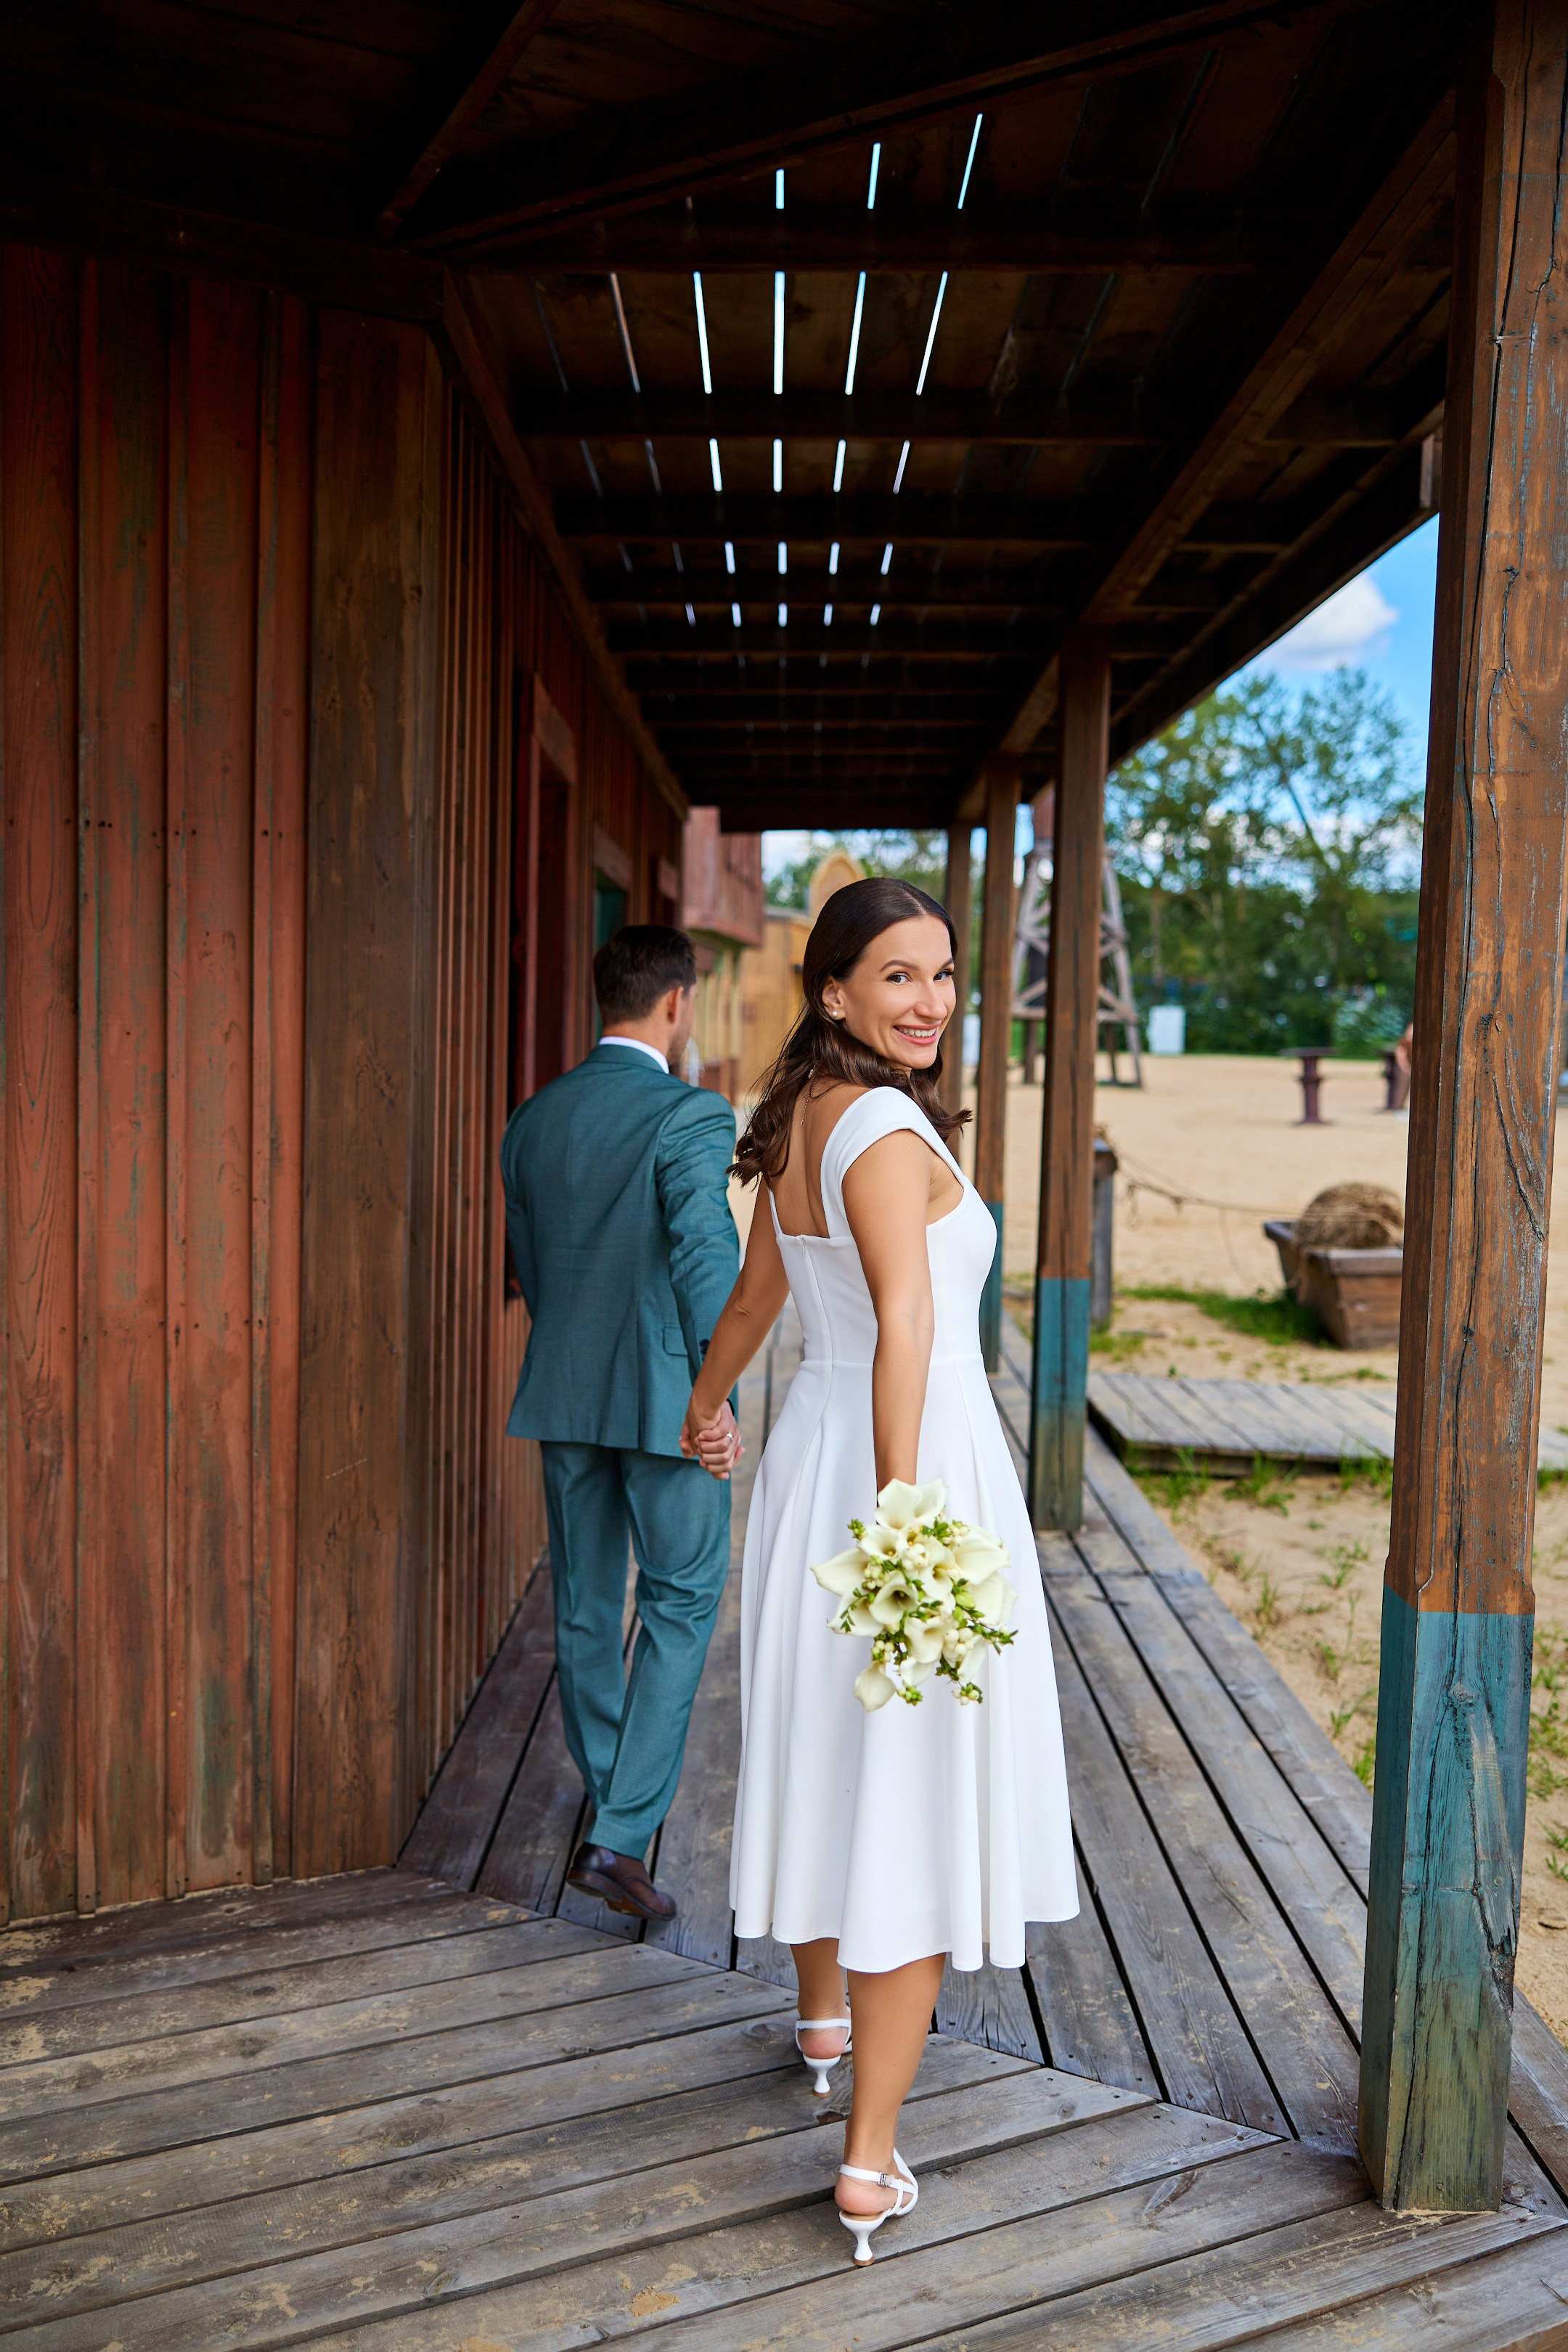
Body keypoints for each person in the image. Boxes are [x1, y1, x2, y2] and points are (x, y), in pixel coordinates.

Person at [682, 877, 1077, 2265]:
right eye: (897, 978)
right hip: (905, 1463)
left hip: (812, 1465)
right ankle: (867, 2162)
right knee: (904, 1790)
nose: (931, 1004)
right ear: (832, 989)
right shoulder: (894, 1129)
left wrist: (706, 1403)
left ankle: (820, 2021)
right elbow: (908, 1323)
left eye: (947, 977)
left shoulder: (799, 1119)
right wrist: (908, 1512)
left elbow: (755, 1299)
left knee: (820, 1745)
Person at [502, 924, 740, 1922]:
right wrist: (712, 1396)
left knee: (589, 1606)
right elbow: (706, 1258)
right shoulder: (690, 1115)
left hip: (563, 1392)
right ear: (678, 1003)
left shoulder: (534, 1118)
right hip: (663, 1404)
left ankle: (612, 1816)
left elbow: (527, 1267)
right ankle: (617, 1834)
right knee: (682, 1603)